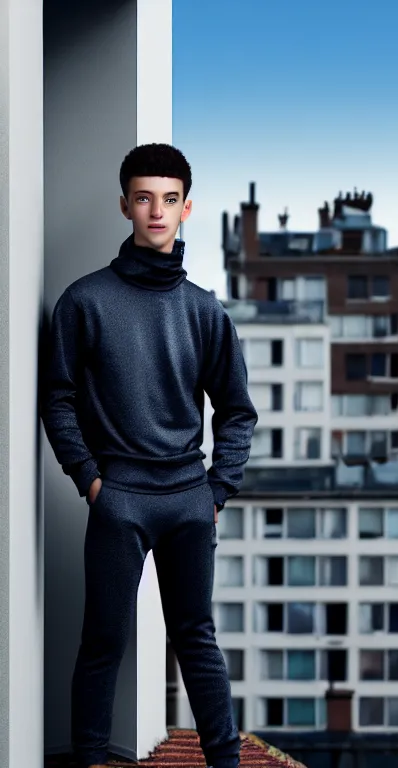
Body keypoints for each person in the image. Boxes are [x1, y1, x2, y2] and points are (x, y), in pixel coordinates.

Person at [41, 143, 258, 768]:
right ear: (125, 206)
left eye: (168, 200)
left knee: (197, 639)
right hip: (120, 499)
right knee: (103, 640)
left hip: (189, 498)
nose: (155, 212)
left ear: (186, 209)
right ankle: (87, 759)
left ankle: (226, 762)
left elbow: (237, 409)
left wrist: (219, 491)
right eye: (143, 198)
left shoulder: (205, 311)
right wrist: (89, 480)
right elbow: (57, 398)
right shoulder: (83, 302)